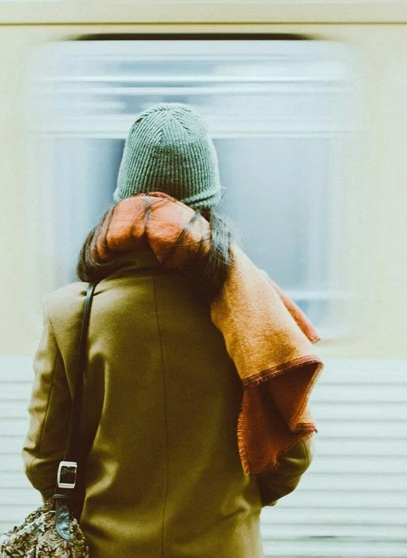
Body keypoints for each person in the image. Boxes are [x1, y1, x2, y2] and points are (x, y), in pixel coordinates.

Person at [22, 103, 321, 557]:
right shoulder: (250, 311)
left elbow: (44, 459)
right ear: (208, 203)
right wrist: (233, 504)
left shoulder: (69, 315)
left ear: (124, 201)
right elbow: (290, 454)